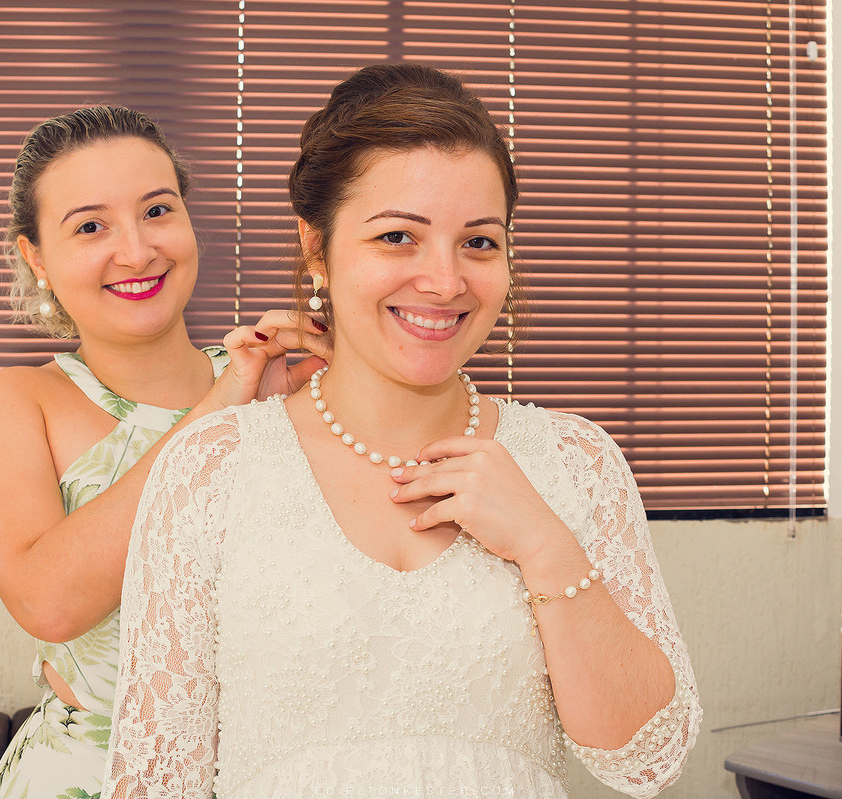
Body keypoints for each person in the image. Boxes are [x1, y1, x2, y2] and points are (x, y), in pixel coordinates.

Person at [103, 64, 700, 799]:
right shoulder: (213, 468)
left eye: (479, 243)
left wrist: (543, 544)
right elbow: (157, 781)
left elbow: (646, 759)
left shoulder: (575, 462)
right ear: (316, 248)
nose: (445, 281)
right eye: (397, 236)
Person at [0, 106, 329, 799]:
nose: (135, 251)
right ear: (37, 257)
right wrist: (225, 404)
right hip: (87, 777)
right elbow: (48, 602)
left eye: (157, 211)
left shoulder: (288, 385)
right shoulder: (17, 401)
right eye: (90, 226)